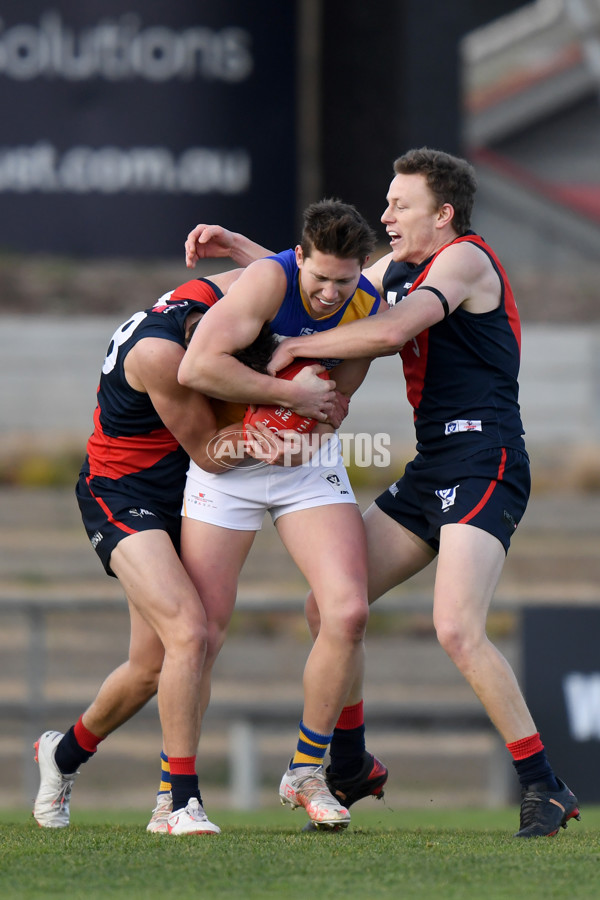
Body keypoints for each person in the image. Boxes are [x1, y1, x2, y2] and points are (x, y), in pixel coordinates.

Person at [185, 148, 581, 839]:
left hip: (484, 461)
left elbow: (395, 328)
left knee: (457, 628)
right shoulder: (399, 269)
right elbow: (323, 280)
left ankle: (545, 785)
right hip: (436, 468)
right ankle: (351, 759)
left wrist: (285, 356)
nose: (386, 214)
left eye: (401, 204)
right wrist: (244, 253)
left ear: (444, 214)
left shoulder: (465, 260)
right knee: (332, 608)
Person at [32, 274, 336, 836]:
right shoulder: (159, 357)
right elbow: (210, 451)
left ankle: (63, 755)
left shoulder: (209, 295)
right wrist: (286, 410)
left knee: (151, 667)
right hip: (124, 493)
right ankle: (178, 802)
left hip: (182, 495)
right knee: (190, 633)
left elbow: (279, 269)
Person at [177, 199, 388, 830]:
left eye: (344, 281)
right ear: (301, 259)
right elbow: (196, 368)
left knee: (347, 612)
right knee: (201, 634)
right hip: (225, 466)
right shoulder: (270, 277)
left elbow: (337, 397)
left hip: (305, 469)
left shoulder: (364, 309)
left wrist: (309, 416)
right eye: (319, 277)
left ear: (361, 274)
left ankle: (306, 771)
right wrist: (285, 393)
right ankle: (177, 796)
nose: (329, 293)